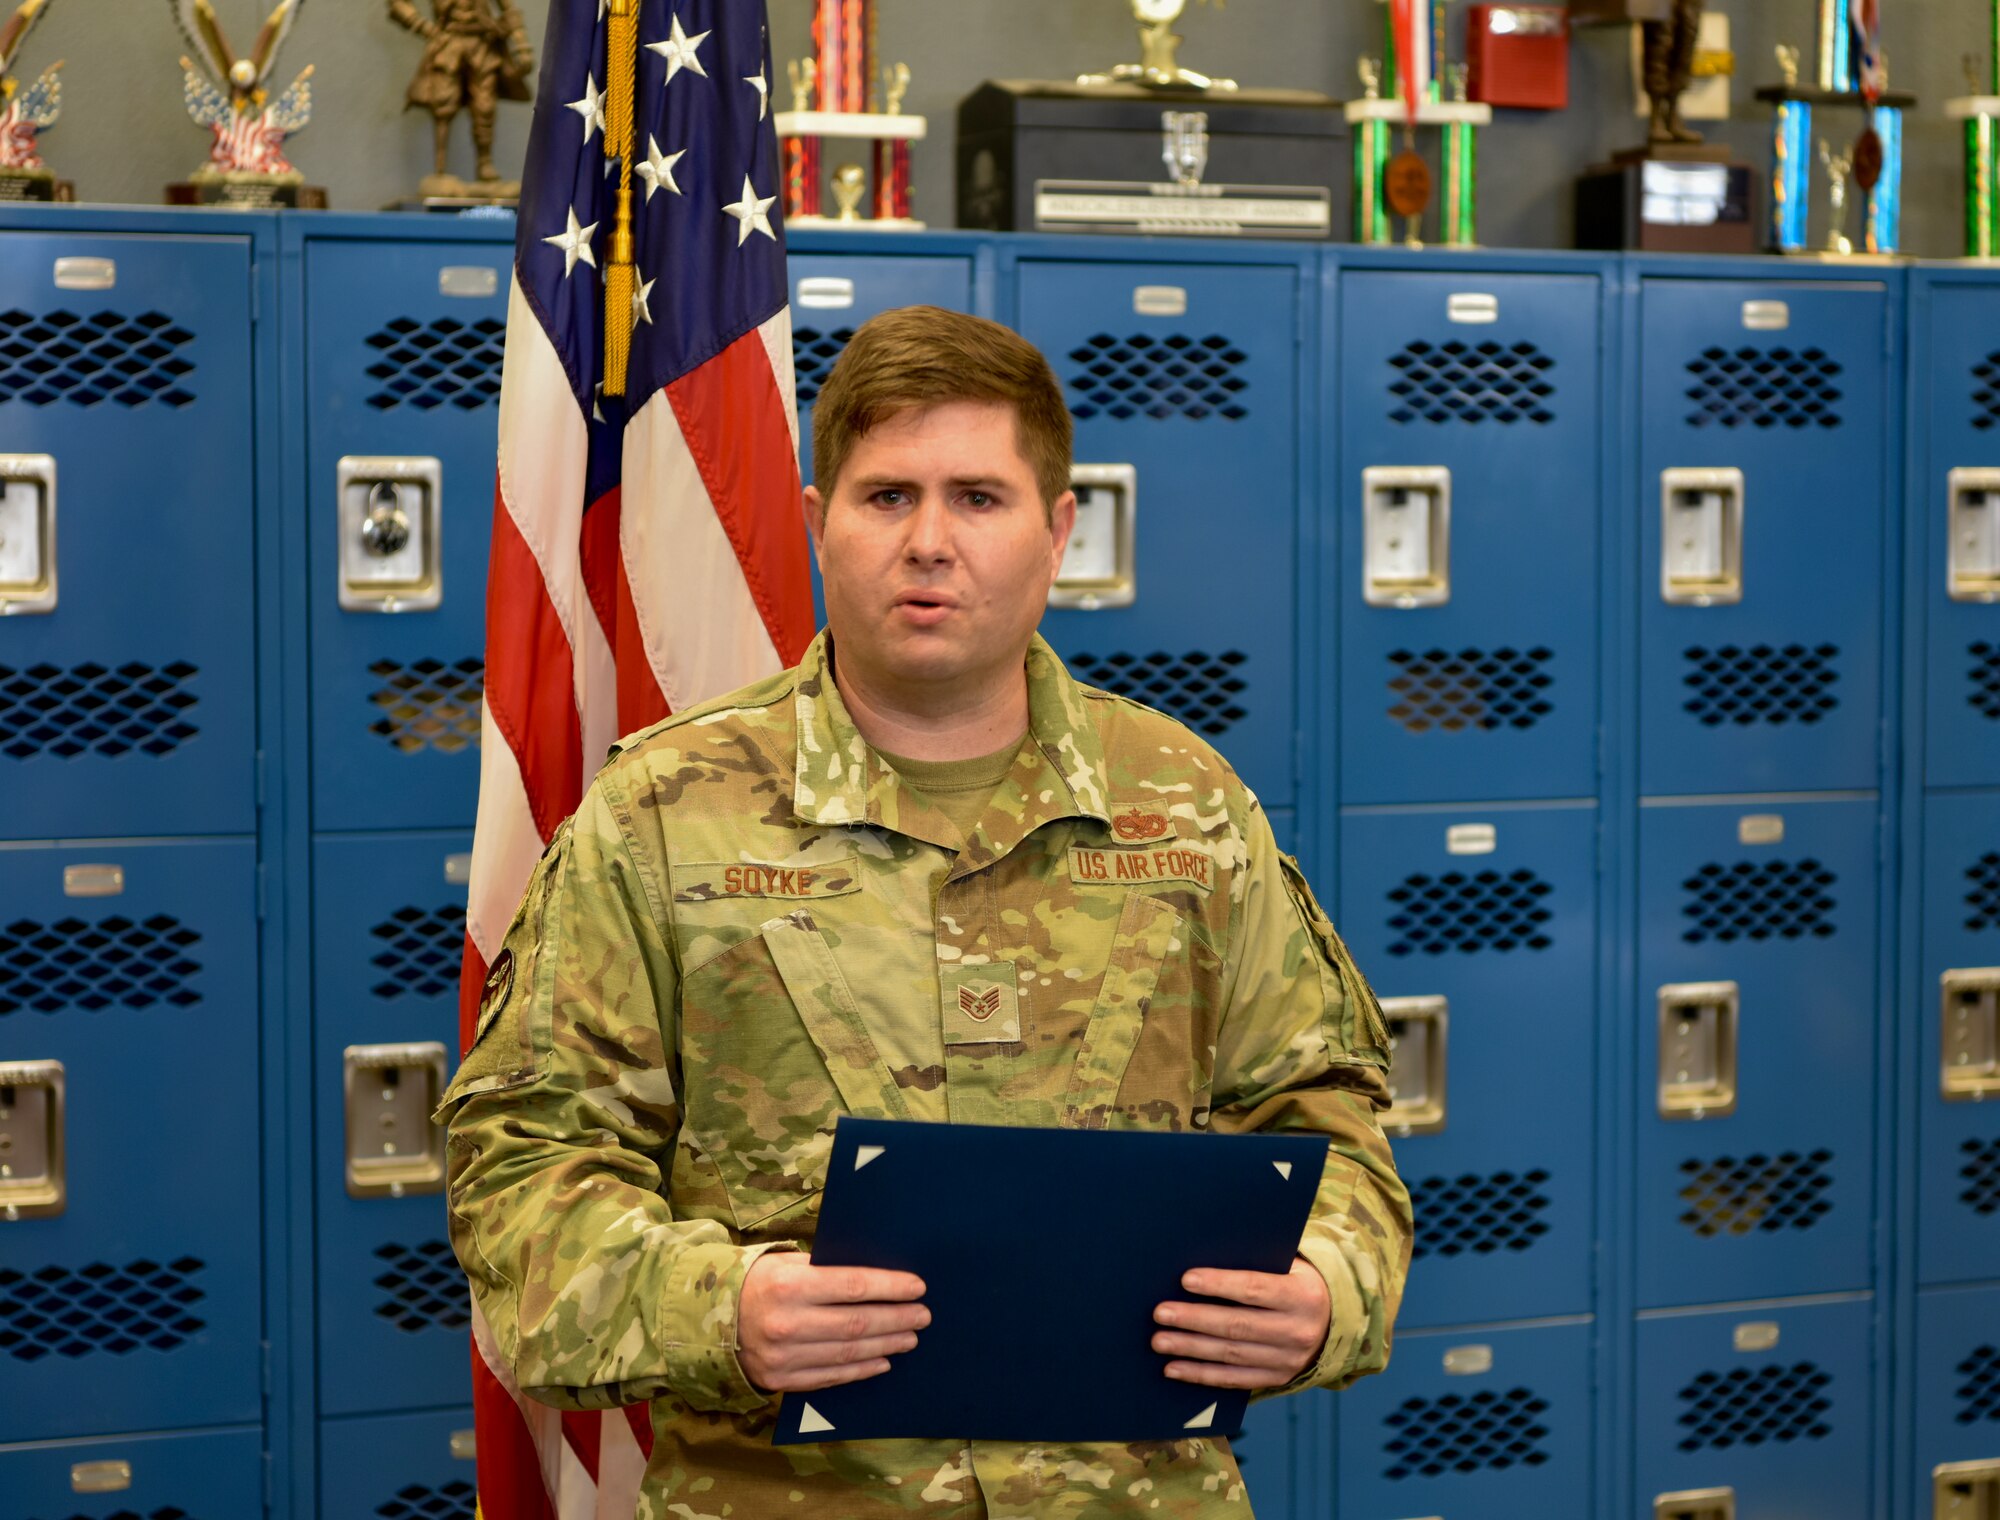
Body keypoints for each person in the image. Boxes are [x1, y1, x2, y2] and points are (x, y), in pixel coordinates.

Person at [436, 306, 1411, 1514]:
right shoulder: (661, 814)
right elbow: (520, 1171)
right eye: (887, 496)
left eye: (979, 498)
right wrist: (720, 1308)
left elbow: (1326, 1112)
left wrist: (1324, 1287)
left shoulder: (1185, 805)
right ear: (815, 524)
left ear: (1058, 532)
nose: (930, 543)